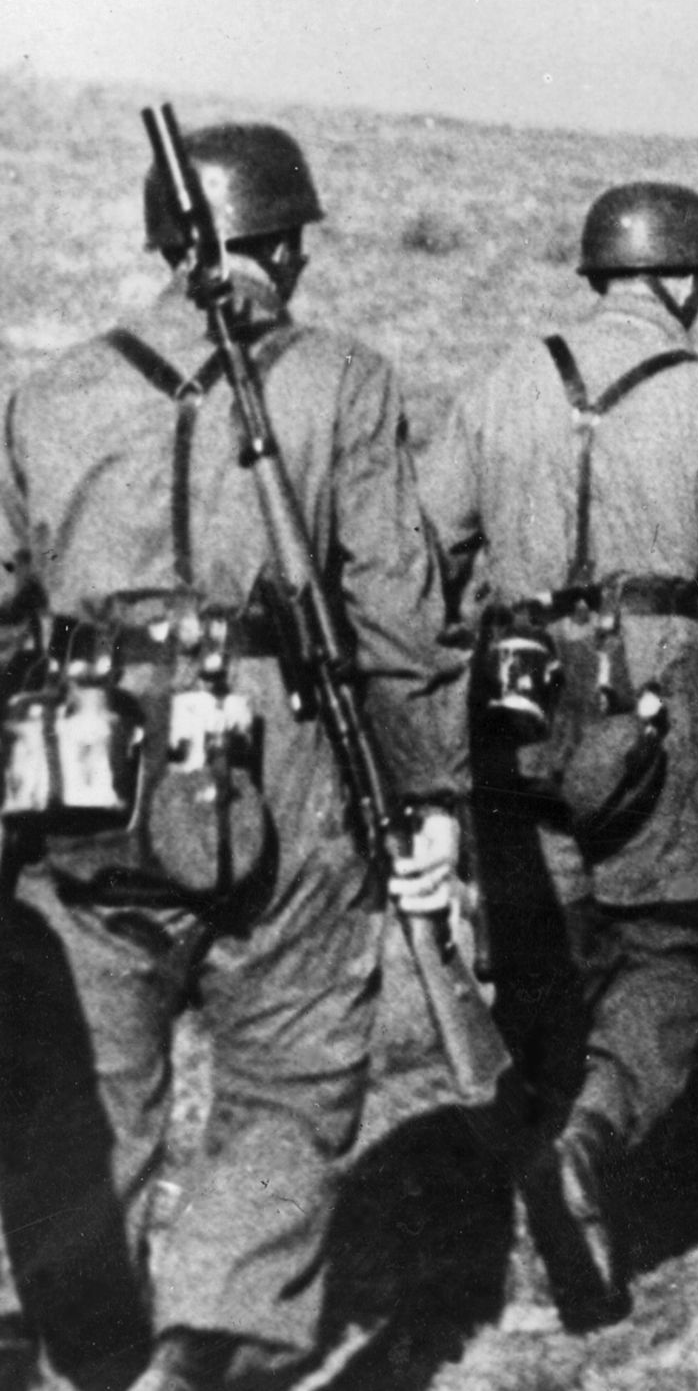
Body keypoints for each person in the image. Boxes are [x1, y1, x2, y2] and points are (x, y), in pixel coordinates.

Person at [0, 124, 465, 1391]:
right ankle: (209, 1345)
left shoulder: (49, 394)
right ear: (282, 245)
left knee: (80, 1094)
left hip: (80, 770)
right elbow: (397, 612)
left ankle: (87, 1352)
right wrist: (431, 795)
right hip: (287, 770)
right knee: (291, 1068)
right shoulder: (344, 382)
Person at [424, 180, 698, 1331]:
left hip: (515, 698)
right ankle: (592, 1135)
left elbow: (422, 551)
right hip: (660, 701)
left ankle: (541, 1204)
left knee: (537, 947)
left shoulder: (500, 380)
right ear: (683, 275)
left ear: (599, 269)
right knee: (671, 947)